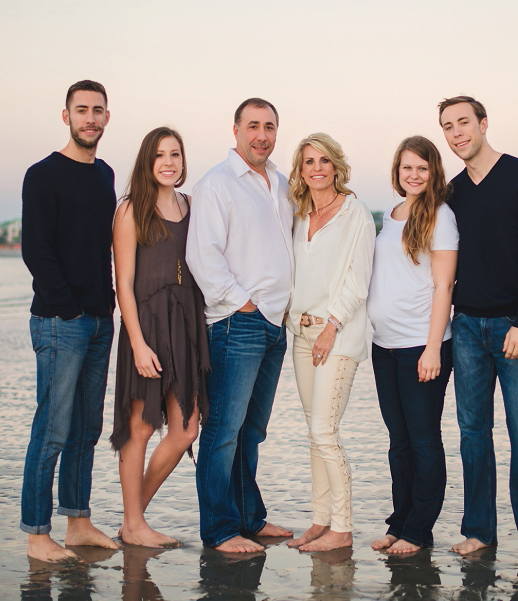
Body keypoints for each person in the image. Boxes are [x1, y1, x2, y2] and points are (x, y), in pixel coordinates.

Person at [438, 95, 518, 561]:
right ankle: (479, 531)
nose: (457, 134)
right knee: (473, 434)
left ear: (483, 123)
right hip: (466, 327)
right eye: (448, 126)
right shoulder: (451, 193)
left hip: (515, 327)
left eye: (464, 123)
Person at [186, 98, 295, 552]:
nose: (262, 135)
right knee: (223, 431)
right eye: (253, 126)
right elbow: (202, 255)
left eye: (270, 126)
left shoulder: (284, 185)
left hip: (275, 325)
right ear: (235, 131)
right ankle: (220, 530)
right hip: (238, 324)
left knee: (252, 431)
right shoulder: (217, 183)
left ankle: (250, 517)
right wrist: (242, 304)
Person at [20, 80, 120, 562]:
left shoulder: (106, 174)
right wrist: (70, 308)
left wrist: (107, 306)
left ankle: (78, 523)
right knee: (53, 429)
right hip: (62, 322)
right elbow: (35, 250)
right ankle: (38, 534)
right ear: (66, 116)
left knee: (87, 429)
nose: (90, 119)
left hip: (102, 321)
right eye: (81, 110)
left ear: (107, 117)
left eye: (98, 111)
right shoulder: (42, 175)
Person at [110, 127, 210, 547]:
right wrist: (137, 343)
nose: (169, 162)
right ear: (147, 162)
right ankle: (134, 524)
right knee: (141, 427)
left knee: (186, 429)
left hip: (187, 324)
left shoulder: (193, 205)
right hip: (147, 325)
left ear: (183, 161)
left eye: (175, 154)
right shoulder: (131, 209)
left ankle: (133, 519)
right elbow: (123, 283)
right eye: (160, 155)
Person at [366, 136, 459, 554]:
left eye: (422, 168)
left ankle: (419, 531)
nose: (414, 175)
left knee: (423, 441)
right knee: (398, 441)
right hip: (383, 346)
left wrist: (433, 347)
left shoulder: (441, 216)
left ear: (433, 171)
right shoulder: (391, 213)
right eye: (407, 168)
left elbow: (444, 286)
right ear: (397, 172)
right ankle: (399, 520)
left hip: (421, 347)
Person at [283, 134, 376, 552]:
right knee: (312, 432)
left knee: (325, 430)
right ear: (300, 171)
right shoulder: (300, 215)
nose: (316, 168)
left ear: (336, 166)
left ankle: (343, 528)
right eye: (308, 162)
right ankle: (320, 521)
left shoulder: (354, 212)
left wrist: (330, 326)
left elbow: (358, 280)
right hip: (300, 333)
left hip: (336, 334)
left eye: (323, 160)